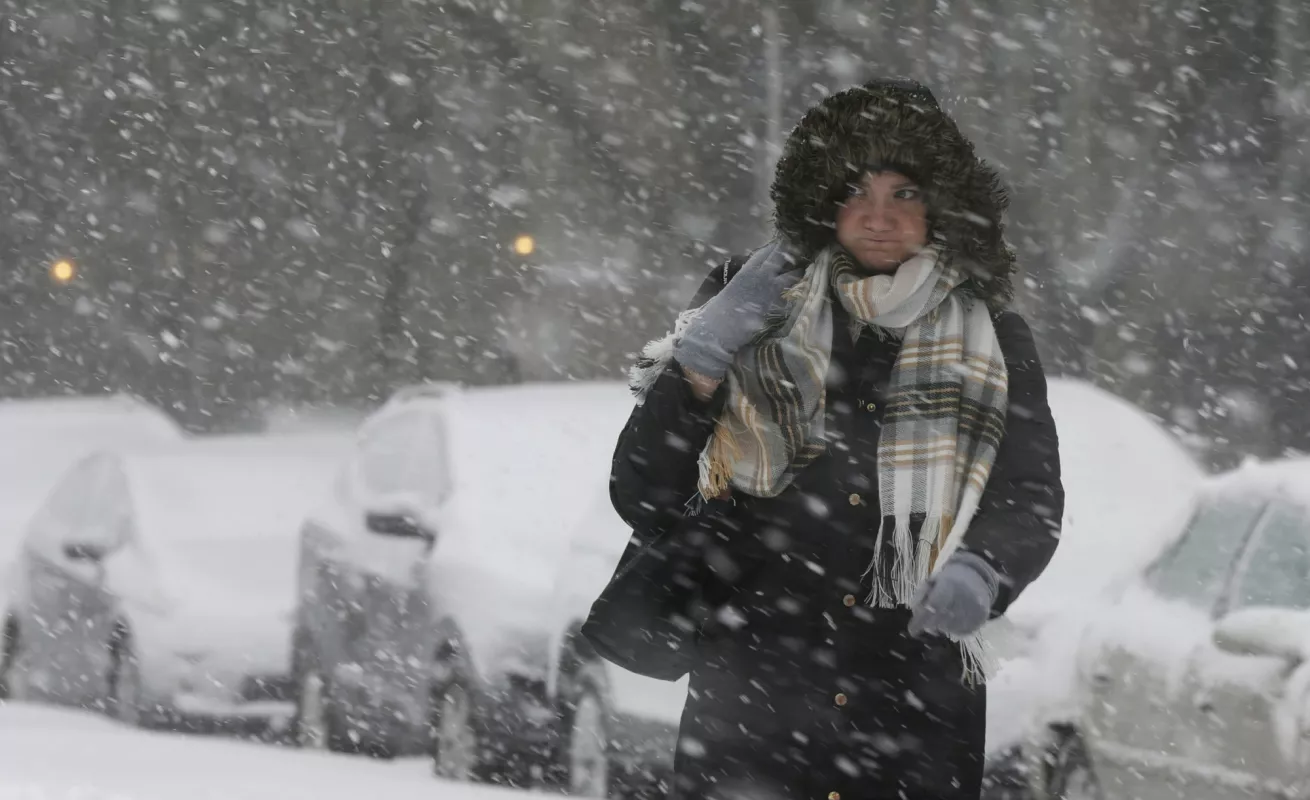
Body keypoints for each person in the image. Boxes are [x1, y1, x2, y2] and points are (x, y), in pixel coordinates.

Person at [587, 78, 1063, 800]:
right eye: (856, 193)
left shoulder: (992, 336)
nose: (878, 217)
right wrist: (701, 363)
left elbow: (1029, 495)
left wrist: (984, 569)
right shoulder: (751, 302)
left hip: (913, 717)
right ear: (822, 203)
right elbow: (645, 490)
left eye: (904, 193)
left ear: (941, 207)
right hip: (751, 704)